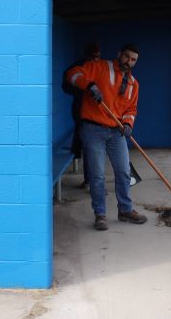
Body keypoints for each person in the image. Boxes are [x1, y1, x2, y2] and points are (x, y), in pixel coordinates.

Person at [65, 43, 147, 231]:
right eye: (127, 56)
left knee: (124, 172)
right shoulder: (100, 67)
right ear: (119, 53)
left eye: (133, 60)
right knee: (97, 175)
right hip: (93, 130)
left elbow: (130, 109)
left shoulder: (134, 84)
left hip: (116, 133)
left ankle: (125, 210)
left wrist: (127, 124)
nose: (129, 62)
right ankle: (100, 214)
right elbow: (72, 74)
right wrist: (89, 85)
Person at [62, 43, 101, 189]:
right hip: (81, 110)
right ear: (86, 55)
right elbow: (65, 86)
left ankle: (92, 180)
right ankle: (90, 181)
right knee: (88, 145)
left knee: (95, 147)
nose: (96, 59)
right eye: (93, 56)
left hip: (97, 111)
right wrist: (82, 91)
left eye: (98, 56)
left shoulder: (101, 67)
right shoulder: (77, 67)